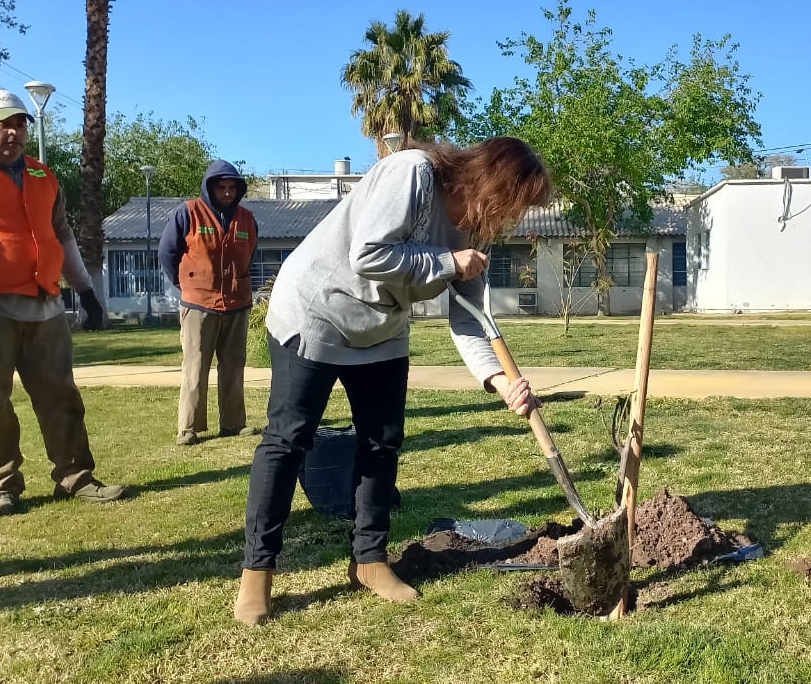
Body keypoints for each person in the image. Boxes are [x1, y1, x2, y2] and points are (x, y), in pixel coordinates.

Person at [233, 136, 550, 625]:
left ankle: (369, 561)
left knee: (382, 442)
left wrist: (497, 381)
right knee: (288, 440)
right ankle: (257, 574)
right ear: (490, 180)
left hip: (381, 330)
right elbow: (369, 255)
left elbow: (468, 319)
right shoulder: (412, 174)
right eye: (514, 203)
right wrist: (448, 262)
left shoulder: (475, 233)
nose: (512, 218)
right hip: (316, 310)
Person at [0, 89, 124, 517]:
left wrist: (84, 291)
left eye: (20, 123)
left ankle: (76, 477)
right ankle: (2, 487)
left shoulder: (45, 176)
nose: (14, 131)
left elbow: (63, 236)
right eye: (4, 122)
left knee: (61, 394)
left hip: (45, 304)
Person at [158, 160, 259, 446]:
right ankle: (188, 428)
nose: (226, 193)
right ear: (209, 188)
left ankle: (233, 423)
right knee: (195, 366)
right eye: (221, 188)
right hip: (198, 304)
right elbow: (167, 253)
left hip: (237, 303)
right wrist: (186, 284)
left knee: (233, 366)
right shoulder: (187, 213)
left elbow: (250, 253)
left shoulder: (247, 218)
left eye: (231, 188)